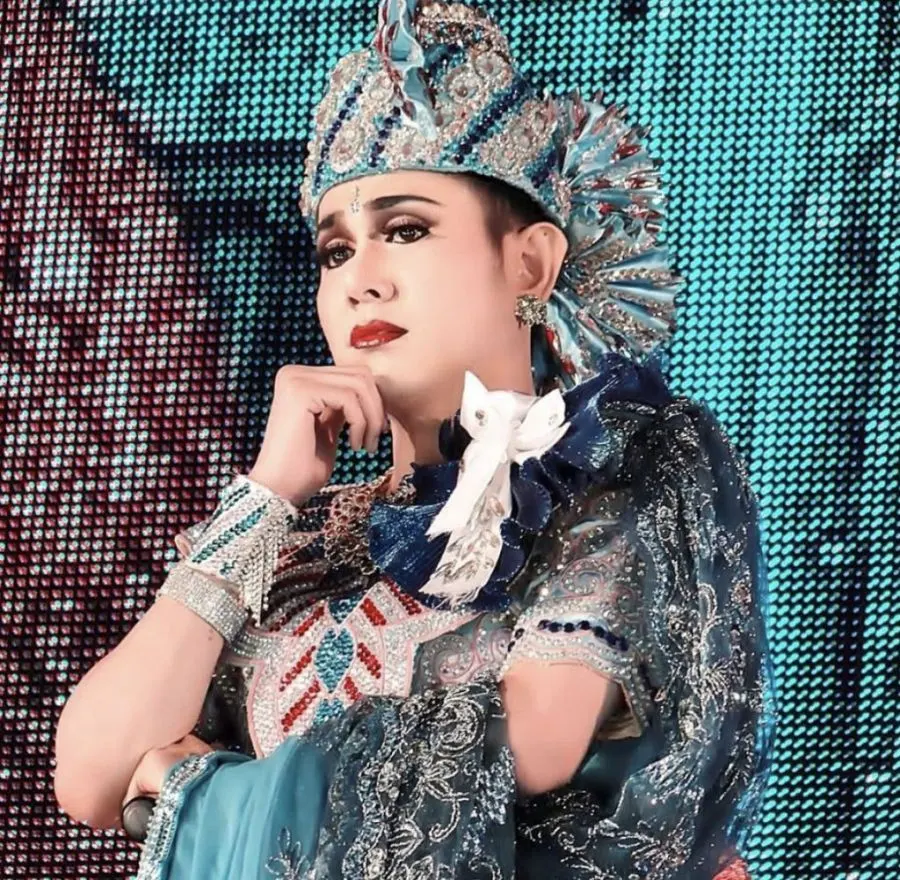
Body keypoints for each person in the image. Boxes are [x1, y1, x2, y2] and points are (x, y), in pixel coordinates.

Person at [53, 1, 777, 877]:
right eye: (334, 252)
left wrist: (194, 789)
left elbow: (535, 744)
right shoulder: (294, 541)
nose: (361, 281)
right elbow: (91, 778)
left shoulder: (619, 473)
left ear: (530, 262)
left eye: (405, 231)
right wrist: (265, 497)